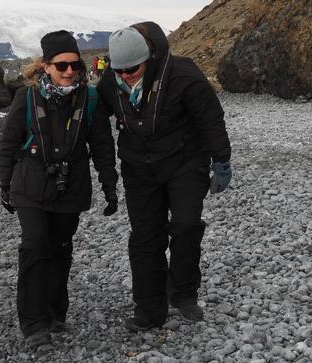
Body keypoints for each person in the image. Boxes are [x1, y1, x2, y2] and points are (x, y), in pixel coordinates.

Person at [96, 22, 232, 332]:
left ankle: (183, 293)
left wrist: (221, 161)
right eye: (120, 70)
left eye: (132, 68)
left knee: (185, 226)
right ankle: (149, 309)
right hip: (138, 169)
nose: (126, 75)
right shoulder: (110, 82)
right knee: (145, 238)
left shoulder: (183, 74)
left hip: (185, 162)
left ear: (149, 58)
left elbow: (211, 118)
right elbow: (94, 122)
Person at [0, 30, 119, 347]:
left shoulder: (90, 100)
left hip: (72, 186)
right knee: (35, 245)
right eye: (62, 65)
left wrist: (110, 185)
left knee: (60, 248)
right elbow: (9, 143)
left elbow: (103, 146)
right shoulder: (26, 97)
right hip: (30, 184)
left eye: (75, 65)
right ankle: (34, 325)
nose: (70, 72)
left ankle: (54, 313)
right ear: (46, 66)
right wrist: (4, 184)